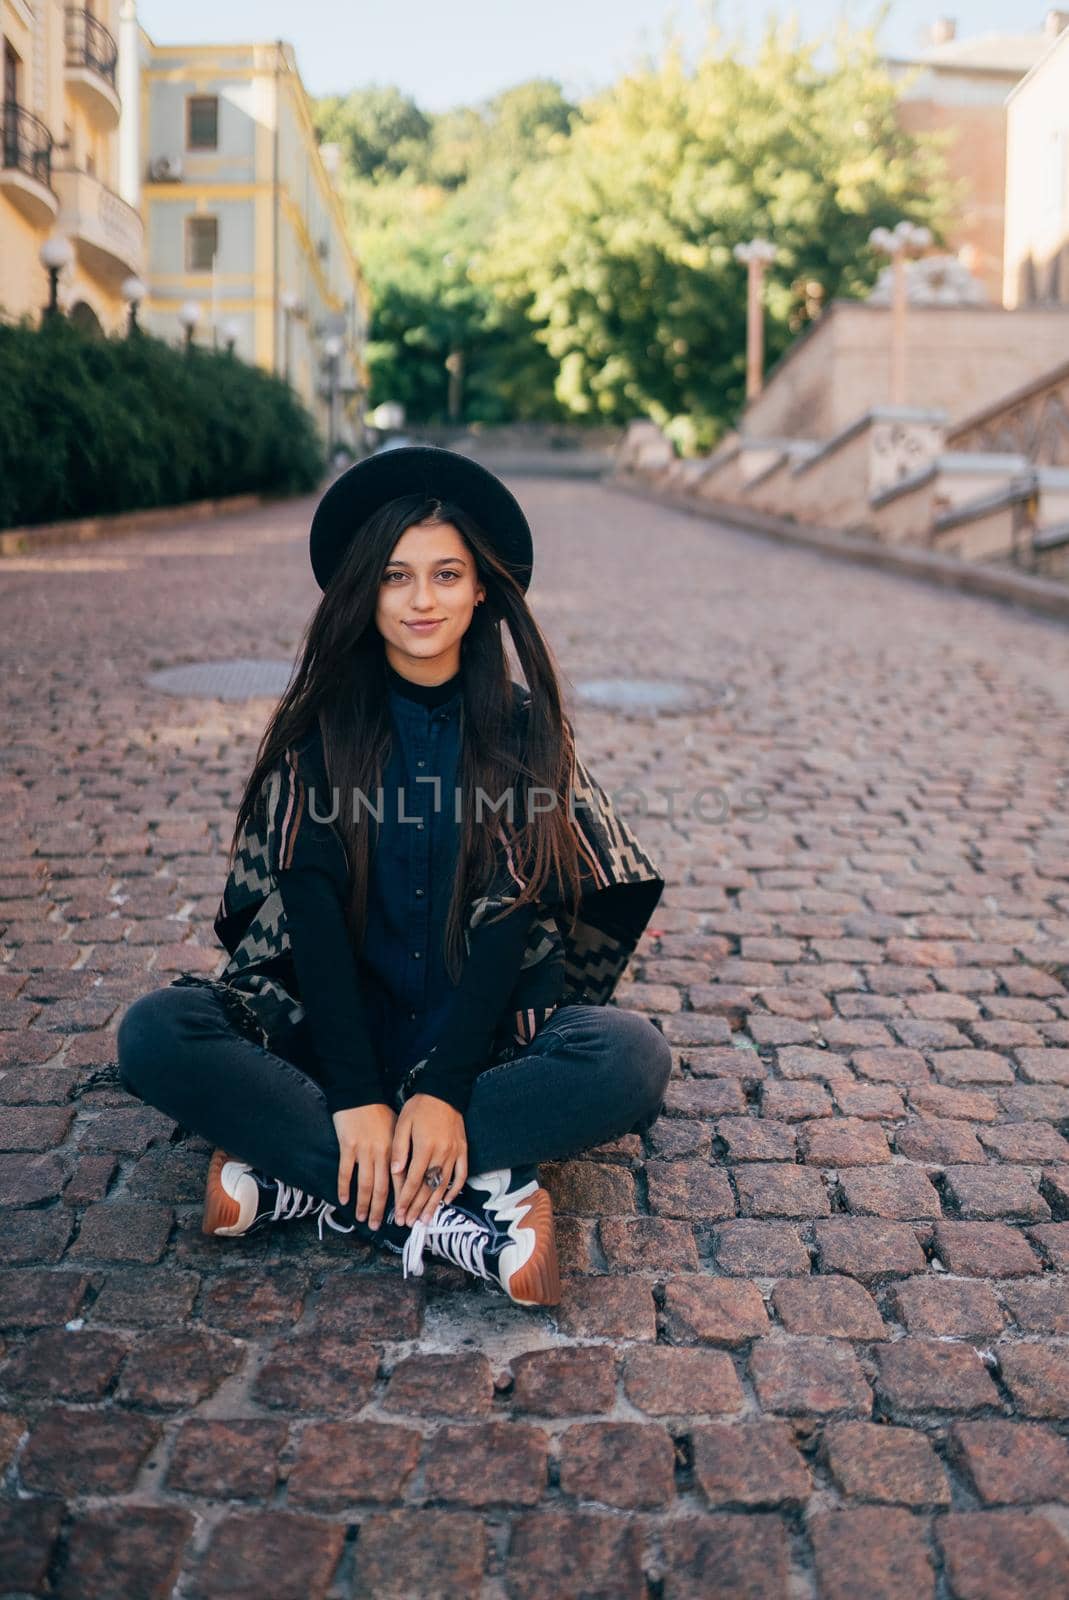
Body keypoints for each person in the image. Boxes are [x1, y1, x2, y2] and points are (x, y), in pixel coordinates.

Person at [117, 445, 672, 1307]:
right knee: (155, 1032)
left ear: (480, 588)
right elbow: (308, 920)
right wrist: (355, 1097)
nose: (421, 601)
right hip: (334, 1039)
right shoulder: (321, 734)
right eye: (394, 576)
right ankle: (464, 1201)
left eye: (446, 574)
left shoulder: (525, 733)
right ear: (362, 592)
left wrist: (446, 1093)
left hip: (481, 1045)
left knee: (630, 1056)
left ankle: (301, 1174)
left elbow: (513, 918)